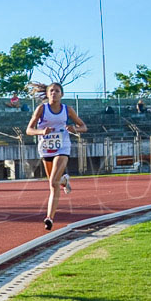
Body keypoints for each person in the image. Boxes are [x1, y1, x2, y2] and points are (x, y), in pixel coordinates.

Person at [25, 82, 87, 231]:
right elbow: (29, 130)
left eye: (57, 91)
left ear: (62, 94)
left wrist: (74, 128)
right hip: (46, 149)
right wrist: (41, 132)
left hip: (62, 147)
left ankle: (49, 218)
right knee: (54, 181)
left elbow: (84, 127)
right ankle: (64, 180)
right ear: (47, 94)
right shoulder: (41, 109)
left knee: (53, 183)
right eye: (51, 91)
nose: (54, 93)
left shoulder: (67, 110)